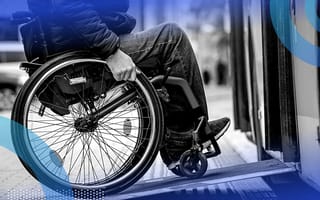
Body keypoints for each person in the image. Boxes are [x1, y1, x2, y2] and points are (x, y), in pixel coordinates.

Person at [26, 0, 230, 160]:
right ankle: (188, 135)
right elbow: (71, 6)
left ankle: (178, 140)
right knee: (172, 38)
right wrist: (111, 51)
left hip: (74, 44)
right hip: (83, 48)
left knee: (160, 58)